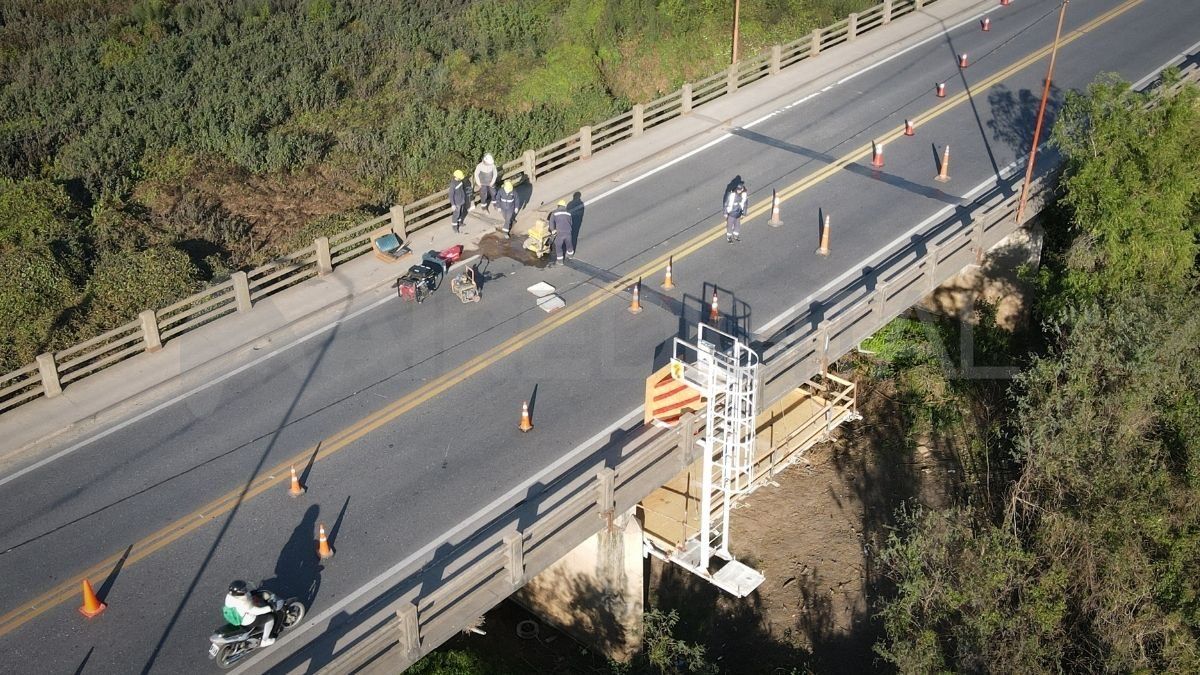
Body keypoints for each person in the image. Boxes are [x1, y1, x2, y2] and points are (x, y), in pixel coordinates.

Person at [224, 580, 276, 647]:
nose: (245, 589)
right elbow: (254, 611)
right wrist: (269, 608)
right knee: (270, 618)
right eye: (243, 589)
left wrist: (252, 593)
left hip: (237, 616)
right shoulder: (242, 602)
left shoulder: (229, 596)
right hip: (248, 621)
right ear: (238, 592)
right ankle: (265, 640)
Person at [547, 198, 574, 263]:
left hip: (559, 233)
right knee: (569, 244)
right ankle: (570, 256)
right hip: (568, 232)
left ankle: (560, 261)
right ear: (565, 206)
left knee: (558, 247)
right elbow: (571, 223)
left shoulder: (554, 213)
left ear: (558, 206)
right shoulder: (569, 213)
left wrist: (552, 230)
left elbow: (551, 222)